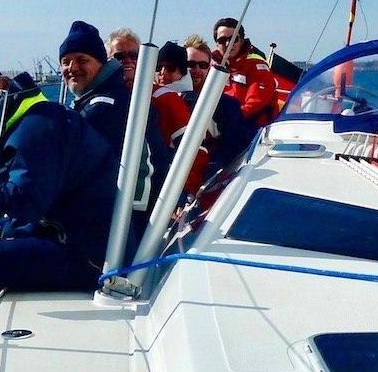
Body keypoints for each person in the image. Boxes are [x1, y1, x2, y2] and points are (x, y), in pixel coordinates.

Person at [0, 61, 122, 339]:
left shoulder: (36, 129)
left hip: (86, 255)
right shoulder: (34, 119)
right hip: (62, 231)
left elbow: (25, 200)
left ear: (2, 86)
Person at [59, 20, 169, 235]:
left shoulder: (103, 107)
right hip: (132, 212)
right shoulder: (113, 97)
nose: (72, 68)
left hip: (128, 220)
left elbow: (73, 169)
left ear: (102, 63)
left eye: (81, 60)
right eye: (66, 61)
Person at [183, 34, 256, 174]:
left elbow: (232, 149)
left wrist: (206, 173)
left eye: (203, 65)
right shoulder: (163, 99)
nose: (196, 70)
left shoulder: (227, 107)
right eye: (190, 65)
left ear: (209, 69)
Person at [153, 41, 207, 195]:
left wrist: (185, 192)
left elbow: (196, 152)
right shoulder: (149, 94)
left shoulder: (189, 101)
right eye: (158, 67)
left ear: (182, 72)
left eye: (171, 68)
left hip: (171, 186)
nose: (163, 73)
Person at [211, 18, 279, 128]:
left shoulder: (256, 66)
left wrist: (228, 119)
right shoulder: (211, 66)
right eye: (222, 40)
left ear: (241, 40)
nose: (228, 44)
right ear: (216, 44)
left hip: (251, 126)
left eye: (234, 39)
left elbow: (256, 102)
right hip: (219, 123)